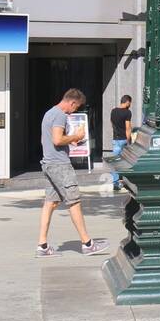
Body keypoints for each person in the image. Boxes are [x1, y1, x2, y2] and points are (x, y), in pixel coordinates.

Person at [36, 89, 108, 258]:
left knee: (51, 203)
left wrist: (70, 141)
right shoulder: (60, 115)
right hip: (60, 165)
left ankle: (42, 245)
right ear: (72, 102)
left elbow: (47, 140)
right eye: (76, 108)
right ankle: (87, 243)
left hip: (48, 163)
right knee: (74, 201)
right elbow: (57, 139)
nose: (75, 111)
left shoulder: (49, 113)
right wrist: (75, 135)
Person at [109, 94, 132, 191]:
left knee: (115, 161)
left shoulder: (113, 111)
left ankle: (115, 181)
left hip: (115, 139)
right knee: (126, 160)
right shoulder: (127, 112)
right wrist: (129, 140)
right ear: (127, 102)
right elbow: (128, 128)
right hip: (123, 139)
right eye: (130, 102)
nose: (130, 104)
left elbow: (112, 123)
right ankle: (126, 180)